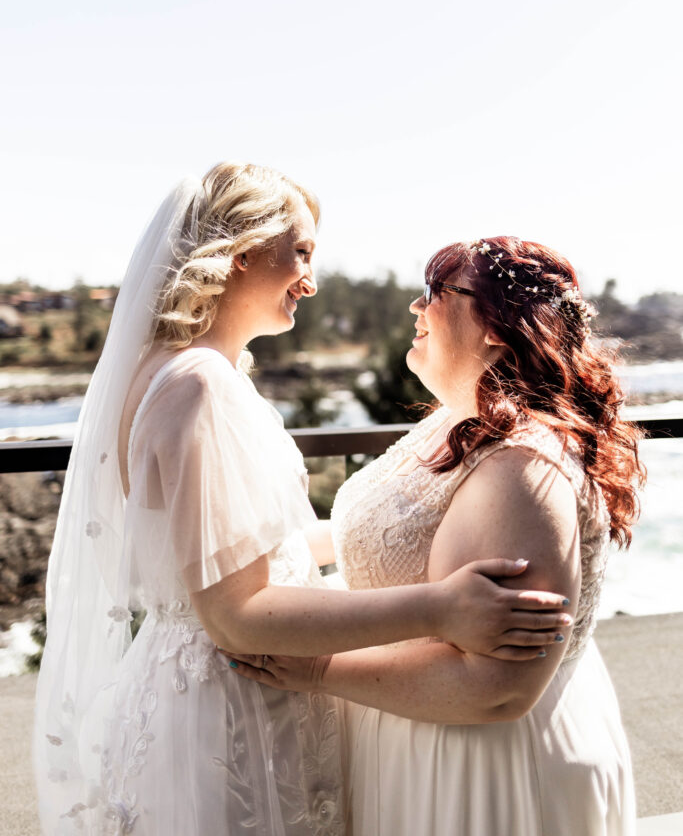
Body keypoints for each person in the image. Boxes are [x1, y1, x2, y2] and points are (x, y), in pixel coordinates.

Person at [34, 171, 571, 836]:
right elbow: (235, 614)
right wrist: (441, 605)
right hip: (235, 706)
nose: (310, 282)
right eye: (302, 253)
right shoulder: (198, 386)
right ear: (243, 253)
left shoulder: (178, 370)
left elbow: (237, 545)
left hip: (208, 691)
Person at [228, 235, 642, 836]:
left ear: (498, 325)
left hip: (482, 770)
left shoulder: (524, 468)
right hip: (414, 738)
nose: (416, 310)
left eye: (436, 293)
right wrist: (228, 564)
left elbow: (498, 689)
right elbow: (379, 539)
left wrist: (316, 669)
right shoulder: (457, 421)